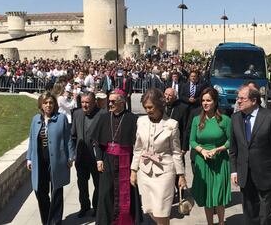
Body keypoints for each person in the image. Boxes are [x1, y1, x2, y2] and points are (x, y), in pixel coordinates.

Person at [229, 86, 271, 225]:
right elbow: (233, 148)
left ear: (254, 100)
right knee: (250, 215)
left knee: (267, 216)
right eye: (238, 98)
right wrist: (234, 170)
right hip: (245, 175)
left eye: (242, 98)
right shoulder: (235, 118)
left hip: (267, 175)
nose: (238, 101)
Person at [130, 88, 187, 225]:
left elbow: (176, 152)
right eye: (145, 107)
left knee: (162, 210)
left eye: (150, 107)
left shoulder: (172, 125)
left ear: (159, 105)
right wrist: (133, 170)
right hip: (145, 172)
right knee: (149, 209)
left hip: (164, 173)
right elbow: (138, 148)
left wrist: (181, 175)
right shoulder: (141, 121)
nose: (148, 110)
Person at [92, 89, 142, 225]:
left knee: (127, 192)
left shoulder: (133, 119)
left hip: (126, 160)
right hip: (107, 161)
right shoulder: (103, 118)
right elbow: (96, 141)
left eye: (113, 101)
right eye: (109, 101)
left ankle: (126, 220)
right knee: (106, 193)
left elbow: (138, 145)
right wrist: (99, 159)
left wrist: (135, 168)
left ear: (122, 102)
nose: (110, 104)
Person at [26, 91, 73, 225]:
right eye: (45, 102)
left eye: (51, 103)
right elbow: (31, 139)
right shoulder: (36, 119)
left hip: (57, 160)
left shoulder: (61, 118)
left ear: (55, 105)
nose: (48, 105)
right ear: (41, 104)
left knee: (57, 191)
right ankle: (47, 220)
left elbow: (68, 138)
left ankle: (55, 222)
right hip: (39, 159)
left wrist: (70, 157)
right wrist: (29, 158)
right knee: (40, 191)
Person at [190, 87, 231, 225]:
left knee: (218, 195)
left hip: (220, 161)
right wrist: (202, 151)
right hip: (203, 162)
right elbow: (192, 141)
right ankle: (210, 223)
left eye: (208, 100)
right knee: (207, 196)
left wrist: (218, 149)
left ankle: (221, 223)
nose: (205, 103)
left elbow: (231, 141)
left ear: (215, 102)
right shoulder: (196, 119)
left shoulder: (225, 120)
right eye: (203, 100)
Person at [70, 92, 107, 218]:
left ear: (94, 102)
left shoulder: (102, 114)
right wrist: (72, 154)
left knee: (98, 185)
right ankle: (84, 206)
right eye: (83, 102)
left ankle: (96, 207)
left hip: (97, 158)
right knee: (82, 185)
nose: (85, 105)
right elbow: (73, 135)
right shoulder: (77, 113)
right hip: (81, 157)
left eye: (88, 103)